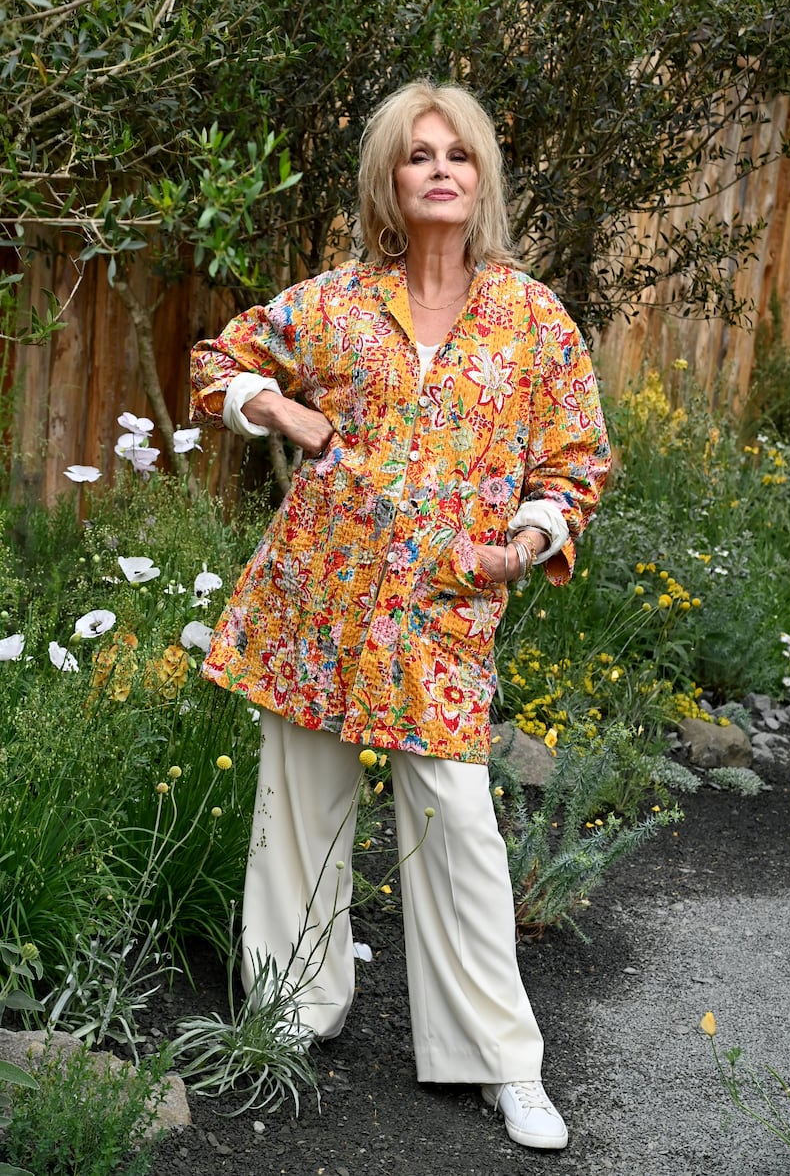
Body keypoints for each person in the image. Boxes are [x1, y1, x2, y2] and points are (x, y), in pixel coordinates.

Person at [189, 80, 611, 1151]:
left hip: (441, 616)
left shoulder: (529, 319)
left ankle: (499, 1061)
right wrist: (280, 407)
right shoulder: (332, 303)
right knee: (298, 811)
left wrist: (520, 543)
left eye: (457, 155)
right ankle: (291, 1011)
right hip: (316, 601)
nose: (439, 169)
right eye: (418, 154)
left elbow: (573, 464)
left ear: (480, 181)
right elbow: (216, 361)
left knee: (459, 826)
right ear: (389, 179)